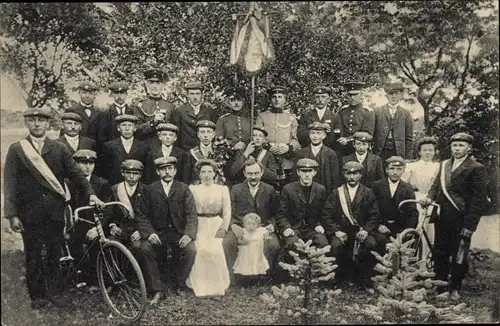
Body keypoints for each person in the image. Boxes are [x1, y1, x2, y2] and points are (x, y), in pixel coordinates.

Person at [3, 108, 105, 309]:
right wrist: (12, 215)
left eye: (41, 120)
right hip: (29, 212)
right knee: (33, 254)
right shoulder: (17, 149)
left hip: (54, 211)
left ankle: (55, 292)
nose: (37, 124)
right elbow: (10, 183)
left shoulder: (59, 149)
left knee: (54, 253)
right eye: (33, 121)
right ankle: (37, 295)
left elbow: (76, 175)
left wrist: (91, 194)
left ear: (48, 124)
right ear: (27, 123)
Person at [422, 132, 488, 300]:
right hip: (442, 216)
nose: (457, 149)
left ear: (469, 148)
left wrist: (470, 226)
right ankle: (440, 285)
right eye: (454, 145)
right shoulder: (444, 165)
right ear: (450, 147)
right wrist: (429, 198)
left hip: (461, 218)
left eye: (461, 145)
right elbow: (436, 186)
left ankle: (455, 287)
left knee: (459, 254)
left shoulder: (476, 168)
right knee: (440, 252)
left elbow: (478, 201)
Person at [136, 157, 198, 303]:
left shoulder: (183, 189)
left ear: (175, 171)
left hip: (178, 233)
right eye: (163, 169)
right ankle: (157, 289)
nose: (167, 172)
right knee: (145, 249)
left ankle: (180, 284)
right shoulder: (149, 189)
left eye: (170, 168)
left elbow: (191, 214)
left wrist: (189, 234)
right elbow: (141, 214)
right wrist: (149, 233)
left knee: (190, 250)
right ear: (158, 172)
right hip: (158, 233)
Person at [320, 161, 382, 292]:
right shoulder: (336, 193)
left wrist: (366, 230)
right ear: (344, 174)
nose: (352, 177)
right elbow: (326, 214)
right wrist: (336, 231)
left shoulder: (368, 192)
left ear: (360, 175)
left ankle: (365, 280)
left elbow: (374, 215)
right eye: (349, 173)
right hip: (342, 231)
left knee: (371, 245)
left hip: (361, 230)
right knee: (335, 246)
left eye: (356, 173)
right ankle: (335, 281)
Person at [223, 158, 280, 285]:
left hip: (263, 228)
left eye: (256, 173)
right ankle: (235, 279)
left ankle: (264, 279)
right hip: (241, 227)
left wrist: (272, 225)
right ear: (244, 173)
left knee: (273, 245)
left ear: (262, 173)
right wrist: (233, 224)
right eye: (249, 174)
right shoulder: (236, 189)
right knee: (228, 243)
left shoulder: (269, 189)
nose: (253, 177)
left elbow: (276, 213)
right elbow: (229, 211)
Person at [66, 149, 110, 294]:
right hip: (76, 224)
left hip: (96, 225)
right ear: (76, 164)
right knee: (74, 244)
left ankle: (96, 280)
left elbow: (108, 210)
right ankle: (78, 277)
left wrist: (98, 228)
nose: (87, 167)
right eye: (83, 163)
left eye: (90, 163)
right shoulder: (68, 183)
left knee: (96, 246)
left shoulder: (102, 183)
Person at [187, 159, 231, 298]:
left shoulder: (222, 189)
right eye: (203, 172)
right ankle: (201, 287)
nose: (206, 175)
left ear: (215, 174)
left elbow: (227, 212)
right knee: (201, 250)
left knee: (215, 250)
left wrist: (223, 228)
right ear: (199, 175)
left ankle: (217, 287)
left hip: (215, 224)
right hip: (199, 224)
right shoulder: (193, 189)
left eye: (210, 171)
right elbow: (189, 211)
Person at [276, 158, 329, 253]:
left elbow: (324, 212)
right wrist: (286, 227)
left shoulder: (320, 189)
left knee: (322, 243)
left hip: (313, 228)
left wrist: (319, 225)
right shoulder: (288, 189)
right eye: (304, 171)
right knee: (292, 244)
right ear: (298, 172)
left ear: (315, 172)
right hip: (294, 227)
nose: (307, 175)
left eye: (310, 171)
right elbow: (281, 213)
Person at [401, 136, 440, 259]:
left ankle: (427, 260)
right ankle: (412, 258)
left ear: (435, 152)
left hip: (432, 200)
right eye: (424, 150)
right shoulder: (411, 167)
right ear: (419, 152)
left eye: (430, 150)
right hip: (416, 199)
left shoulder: (439, 166)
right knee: (415, 228)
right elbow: (404, 184)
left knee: (429, 231)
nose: (427, 153)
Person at [256, 86, 301, 186]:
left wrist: (288, 147)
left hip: (286, 161)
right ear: (270, 99)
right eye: (274, 97)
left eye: (280, 97)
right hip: (266, 160)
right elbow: (257, 137)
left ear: (285, 100)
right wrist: (268, 146)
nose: (277, 99)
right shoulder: (262, 116)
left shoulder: (291, 118)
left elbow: (295, 140)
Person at [372, 156, 419, 245]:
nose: (395, 172)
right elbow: (372, 208)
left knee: (408, 244)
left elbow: (413, 212)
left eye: (399, 169)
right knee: (380, 241)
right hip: (381, 227)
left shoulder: (408, 188)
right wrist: (379, 225)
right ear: (386, 170)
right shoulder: (377, 186)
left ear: (403, 171)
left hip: (400, 228)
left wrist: (407, 230)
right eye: (392, 168)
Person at [98, 114, 150, 185]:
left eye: (130, 125)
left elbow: (146, 172)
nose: (127, 128)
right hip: (115, 186)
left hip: (137, 186)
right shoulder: (109, 146)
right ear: (118, 128)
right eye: (123, 125)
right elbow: (105, 170)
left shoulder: (143, 147)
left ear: (135, 128)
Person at [104, 160, 144, 248]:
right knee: (111, 244)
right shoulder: (115, 189)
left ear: (140, 175)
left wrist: (141, 231)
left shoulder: (146, 190)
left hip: (138, 231)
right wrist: (112, 225)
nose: (131, 176)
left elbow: (149, 215)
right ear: (122, 173)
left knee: (138, 247)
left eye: (135, 173)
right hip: (120, 230)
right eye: (128, 173)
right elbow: (109, 212)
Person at [294, 122, 341, 194]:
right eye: (312, 133)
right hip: (305, 192)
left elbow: (335, 179)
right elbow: (295, 176)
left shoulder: (331, 154)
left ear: (324, 136)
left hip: (325, 193)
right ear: (309, 135)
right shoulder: (301, 153)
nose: (315, 136)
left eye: (318, 133)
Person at [133, 68, 176, 145]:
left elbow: (175, 130)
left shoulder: (170, 106)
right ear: (147, 84)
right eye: (151, 82)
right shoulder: (140, 105)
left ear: (162, 84)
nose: (155, 86)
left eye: (158, 83)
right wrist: (152, 123)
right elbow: (136, 130)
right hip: (146, 147)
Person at [373, 82, 414, 161]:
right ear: (387, 96)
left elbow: (409, 138)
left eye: (396, 93)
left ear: (401, 95)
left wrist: (408, 157)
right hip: (380, 152)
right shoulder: (377, 111)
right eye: (391, 93)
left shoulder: (406, 113)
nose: (393, 96)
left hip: (398, 152)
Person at [172, 81, 216, 151]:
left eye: (197, 94)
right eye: (192, 94)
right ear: (188, 95)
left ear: (202, 95)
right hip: (185, 152)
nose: (195, 97)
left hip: (205, 152)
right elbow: (176, 135)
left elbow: (214, 134)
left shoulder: (209, 112)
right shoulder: (180, 111)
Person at [297, 85, 343, 151]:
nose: (320, 100)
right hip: (309, 152)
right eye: (317, 97)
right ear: (314, 99)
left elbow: (338, 138)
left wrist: (329, 132)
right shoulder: (306, 115)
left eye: (323, 97)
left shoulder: (335, 117)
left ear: (328, 99)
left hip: (328, 153)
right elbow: (300, 135)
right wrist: (316, 127)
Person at [337, 81, 375, 156]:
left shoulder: (367, 112)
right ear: (347, 96)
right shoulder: (342, 111)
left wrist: (348, 140)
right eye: (350, 95)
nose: (352, 98)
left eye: (355, 94)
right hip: (343, 150)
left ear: (361, 95)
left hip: (360, 149)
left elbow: (368, 134)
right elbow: (339, 130)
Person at [96, 81, 135, 148]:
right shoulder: (105, 113)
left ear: (126, 94)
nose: (119, 96)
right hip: (112, 149)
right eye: (116, 93)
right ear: (112, 94)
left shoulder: (133, 111)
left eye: (122, 93)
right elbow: (102, 136)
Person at [233, 213, 271, 278]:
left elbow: (266, 231)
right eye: (248, 224)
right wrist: (244, 241)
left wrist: (266, 236)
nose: (251, 226)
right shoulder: (243, 231)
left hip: (256, 252)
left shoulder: (259, 230)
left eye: (254, 224)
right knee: (245, 266)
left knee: (256, 264)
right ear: (244, 224)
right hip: (246, 253)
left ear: (257, 225)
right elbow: (239, 240)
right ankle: (245, 278)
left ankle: (256, 278)